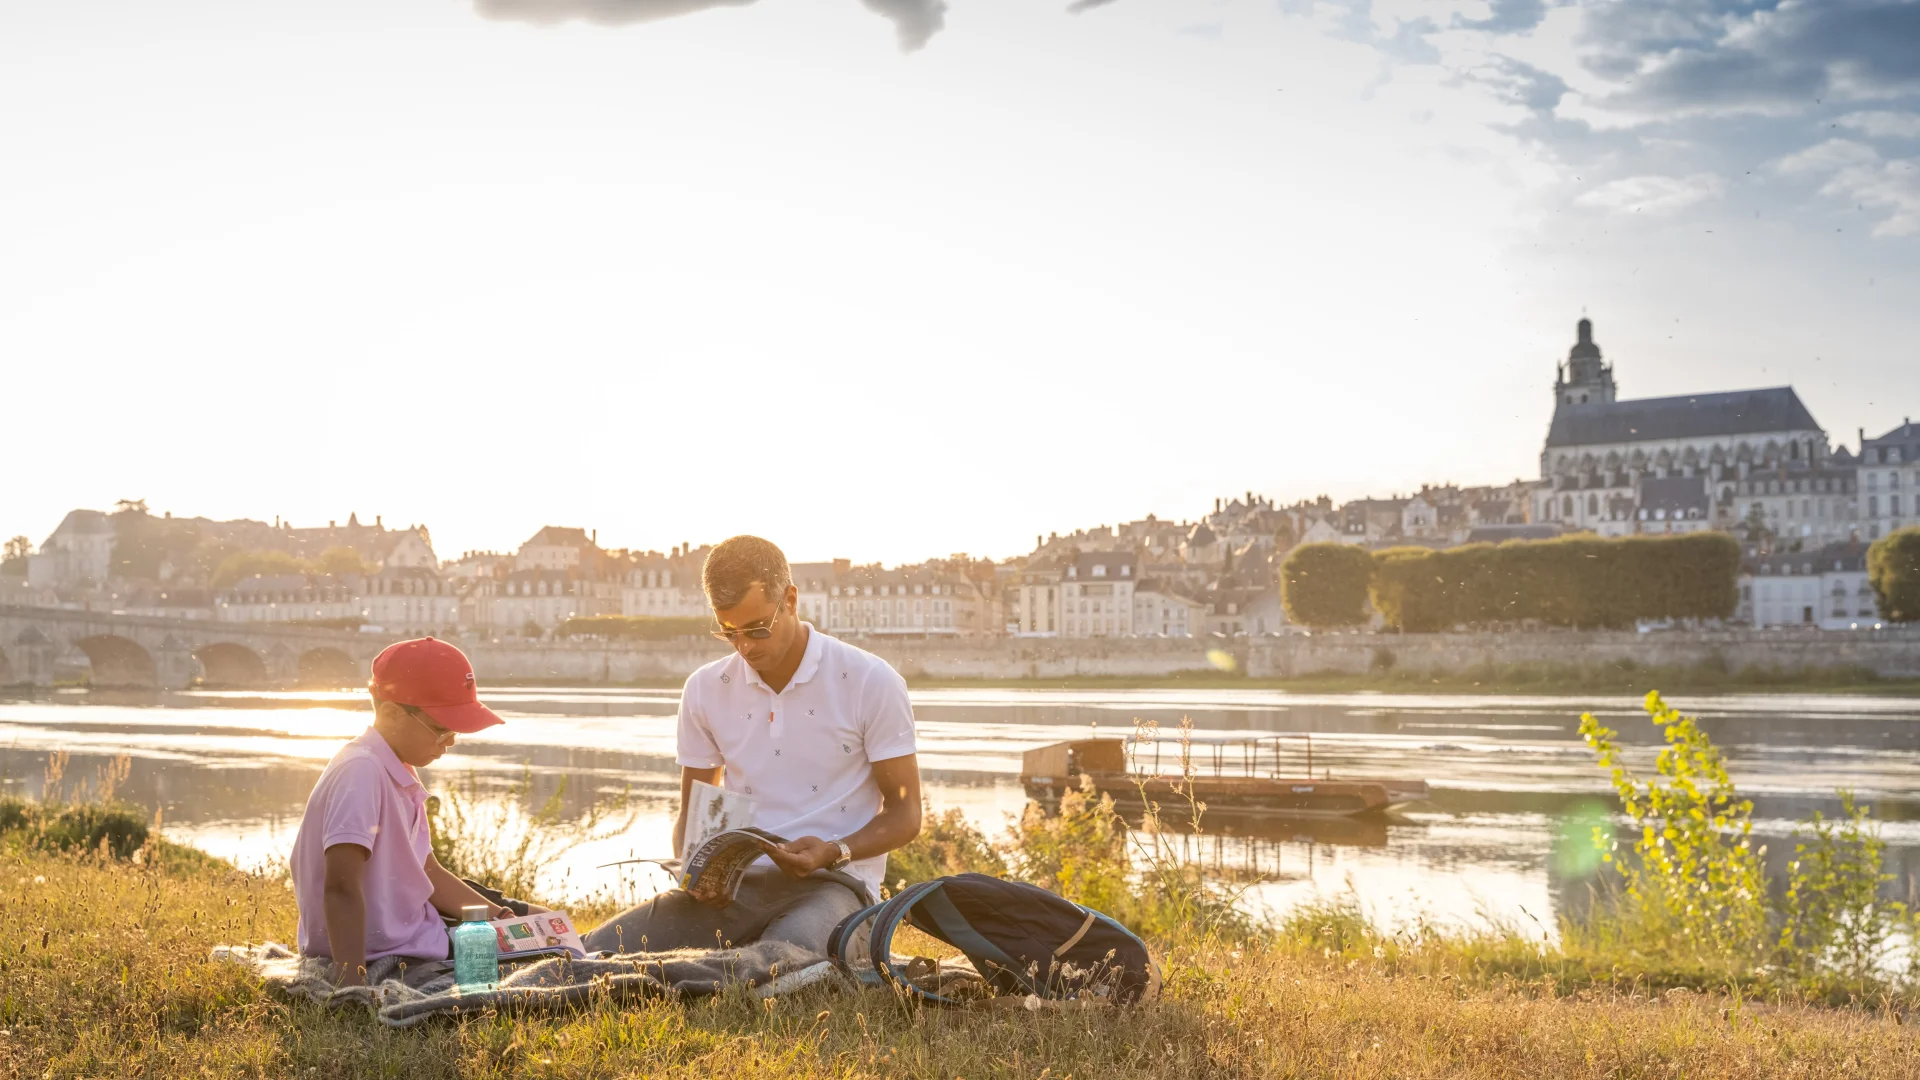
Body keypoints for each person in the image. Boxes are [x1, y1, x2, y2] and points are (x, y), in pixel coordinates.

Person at [583, 535, 923, 955]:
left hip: (835, 886)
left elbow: (907, 814)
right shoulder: (705, 689)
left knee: (785, 957)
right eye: (729, 632)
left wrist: (835, 851)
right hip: (735, 891)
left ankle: (739, 964)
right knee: (596, 949)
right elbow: (693, 813)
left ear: (791, 599)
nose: (745, 646)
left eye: (758, 628)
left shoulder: (871, 680)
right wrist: (695, 871)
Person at [289, 636, 543, 985]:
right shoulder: (361, 772)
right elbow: (341, 886)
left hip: (418, 934)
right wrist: (351, 983)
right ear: (393, 713)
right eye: (441, 729)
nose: (450, 740)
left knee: (546, 923)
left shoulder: (397, 767)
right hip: (393, 951)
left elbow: (426, 870)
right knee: (557, 956)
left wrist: (498, 915)